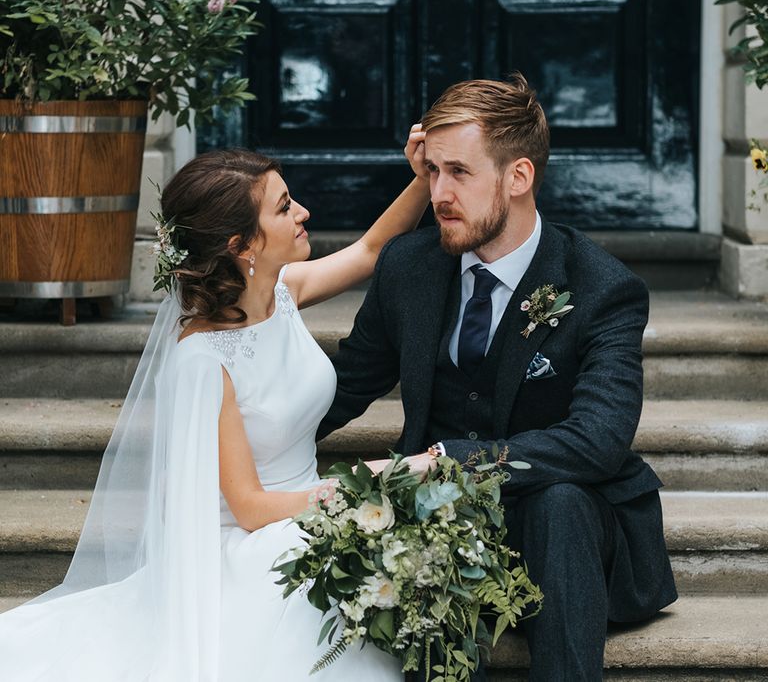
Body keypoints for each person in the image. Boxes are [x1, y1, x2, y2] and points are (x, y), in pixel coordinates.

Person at [0, 135, 431, 680]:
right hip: (253, 544)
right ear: (241, 246)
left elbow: (371, 250)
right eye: (283, 208)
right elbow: (250, 507)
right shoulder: (205, 361)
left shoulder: (283, 292)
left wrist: (422, 177)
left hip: (307, 515)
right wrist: (370, 481)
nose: (303, 212)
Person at [318, 74, 678, 680]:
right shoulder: (408, 268)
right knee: (428, 518)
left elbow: (598, 441)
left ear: (518, 177)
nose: (438, 193)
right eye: (431, 171)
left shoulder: (601, 287)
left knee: (560, 502)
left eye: (459, 172)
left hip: (566, 533)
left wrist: (445, 459)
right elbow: (343, 387)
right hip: (444, 523)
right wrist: (237, 440)